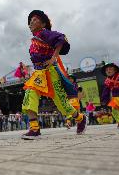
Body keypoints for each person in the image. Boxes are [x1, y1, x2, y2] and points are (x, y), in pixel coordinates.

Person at [21, 10, 87, 139]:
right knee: (29, 94)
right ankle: (34, 129)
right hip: (39, 73)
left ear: (43, 23)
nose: (31, 22)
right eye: (31, 21)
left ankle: (80, 118)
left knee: (62, 103)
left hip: (51, 73)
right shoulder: (33, 41)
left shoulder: (45, 33)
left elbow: (61, 38)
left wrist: (53, 58)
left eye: (35, 19)